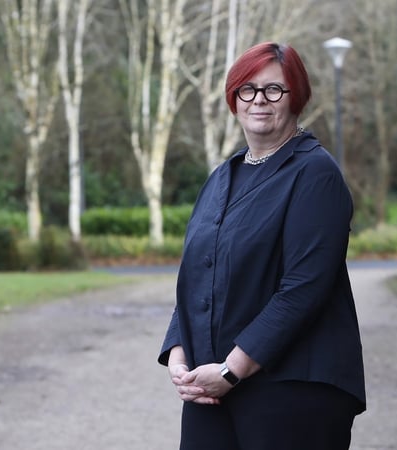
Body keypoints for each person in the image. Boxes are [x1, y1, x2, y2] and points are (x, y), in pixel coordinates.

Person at [159, 42, 365, 449]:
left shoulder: (315, 174)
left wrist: (232, 370)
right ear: (233, 98)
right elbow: (199, 275)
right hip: (211, 386)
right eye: (247, 89)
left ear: (296, 97)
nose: (259, 100)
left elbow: (303, 289)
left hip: (293, 389)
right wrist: (179, 354)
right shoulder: (222, 177)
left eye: (274, 89)